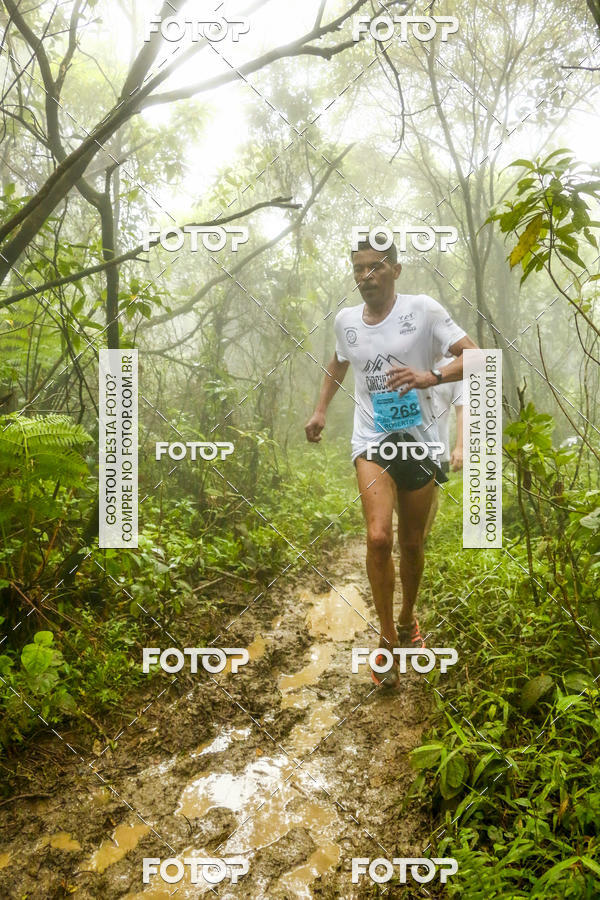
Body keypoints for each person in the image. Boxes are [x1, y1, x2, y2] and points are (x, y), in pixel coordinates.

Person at [305, 239, 478, 686]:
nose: (366, 277)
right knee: (379, 538)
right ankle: (386, 640)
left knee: (412, 543)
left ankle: (407, 619)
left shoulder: (423, 310)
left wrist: (431, 376)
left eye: (375, 268)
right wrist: (321, 408)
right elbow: (339, 363)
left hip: (421, 443)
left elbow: (476, 355)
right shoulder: (347, 321)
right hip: (372, 439)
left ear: (395, 270)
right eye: (359, 269)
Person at [424, 356, 464, 538]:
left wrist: (460, 447)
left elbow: (463, 409)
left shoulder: (456, 366)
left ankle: (419, 539)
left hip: (437, 448)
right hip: (403, 444)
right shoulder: (409, 356)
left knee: (431, 496)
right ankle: (407, 532)